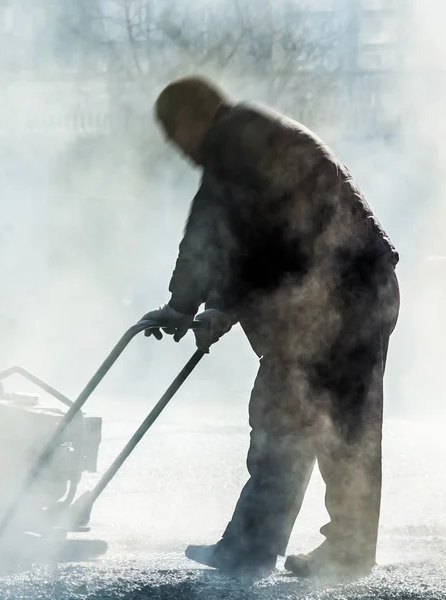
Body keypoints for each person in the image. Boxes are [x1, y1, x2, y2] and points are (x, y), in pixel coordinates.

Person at [140, 76, 400, 578]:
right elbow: (257, 242)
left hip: (341, 300)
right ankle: (308, 548)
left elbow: (213, 228)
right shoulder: (252, 138)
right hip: (353, 293)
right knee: (326, 423)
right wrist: (218, 306)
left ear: (195, 117)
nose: (180, 151)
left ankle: (258, 548)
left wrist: (182, 302)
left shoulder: (234, 139)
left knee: (306, 420)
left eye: (175, 137)